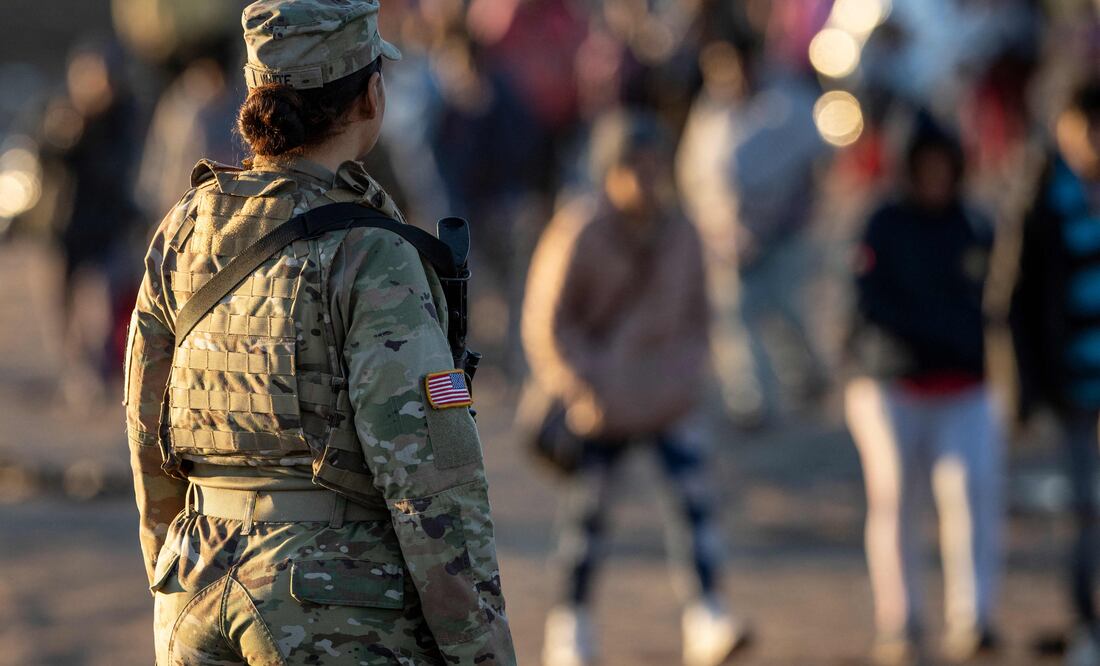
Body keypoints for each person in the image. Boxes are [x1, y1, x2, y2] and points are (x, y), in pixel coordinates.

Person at [122, 1, 516, 664]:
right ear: (370, 95)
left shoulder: (184, 230)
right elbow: (433, 478)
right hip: (332, 607)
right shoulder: (373, 255)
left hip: (193, 592)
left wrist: (174, 573)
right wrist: (481, 650)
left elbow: (144, 432)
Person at [522, 109, 750, 666]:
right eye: (634, 166)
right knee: (587, 521)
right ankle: (570, 630)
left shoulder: (682, 231)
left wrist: (685, 377)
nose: (648, 178)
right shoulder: (580, 229)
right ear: (610, 171)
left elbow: (701, 318)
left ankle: (708, 616)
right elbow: (546, 324)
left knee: (694, 509)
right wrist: (584, 385)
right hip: (599, 402)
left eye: (655, 165)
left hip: (667, 397)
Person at [844, 114, 1003, 665]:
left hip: (964, 386)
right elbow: (867, 307)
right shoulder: (883, 224)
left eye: (943, 166)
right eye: (924, 167)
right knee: (894, 500)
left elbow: (998, 300)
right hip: (893, 387)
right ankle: (900, 620)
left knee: (972, 493)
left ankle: (975, 616)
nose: (935, 177)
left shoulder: (973, 225)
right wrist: (931, 335)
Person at [1008, 78, 1100, 663]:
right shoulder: (1040, 196)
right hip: (1071, 385)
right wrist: (1023, 391)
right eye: (1083, 125)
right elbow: (1013, 300)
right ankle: (1086, 623)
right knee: (1083, 510)